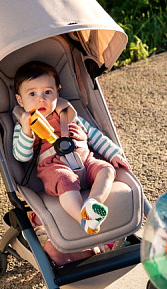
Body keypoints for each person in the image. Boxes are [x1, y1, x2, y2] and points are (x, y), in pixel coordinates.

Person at [12, 61, 131, 237]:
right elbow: (21, 156)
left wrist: (113, 153)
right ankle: (83, 220)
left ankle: (93, 203)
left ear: (57, 94)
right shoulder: (24, 126)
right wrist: (26, 132)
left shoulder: (69, 116)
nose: (41, 99)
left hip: (86, 161)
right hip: (55, 167)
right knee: (65, 180)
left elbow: (94, 135)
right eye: (32, 94)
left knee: (106, 170)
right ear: (20, 100)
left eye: (48, 92)